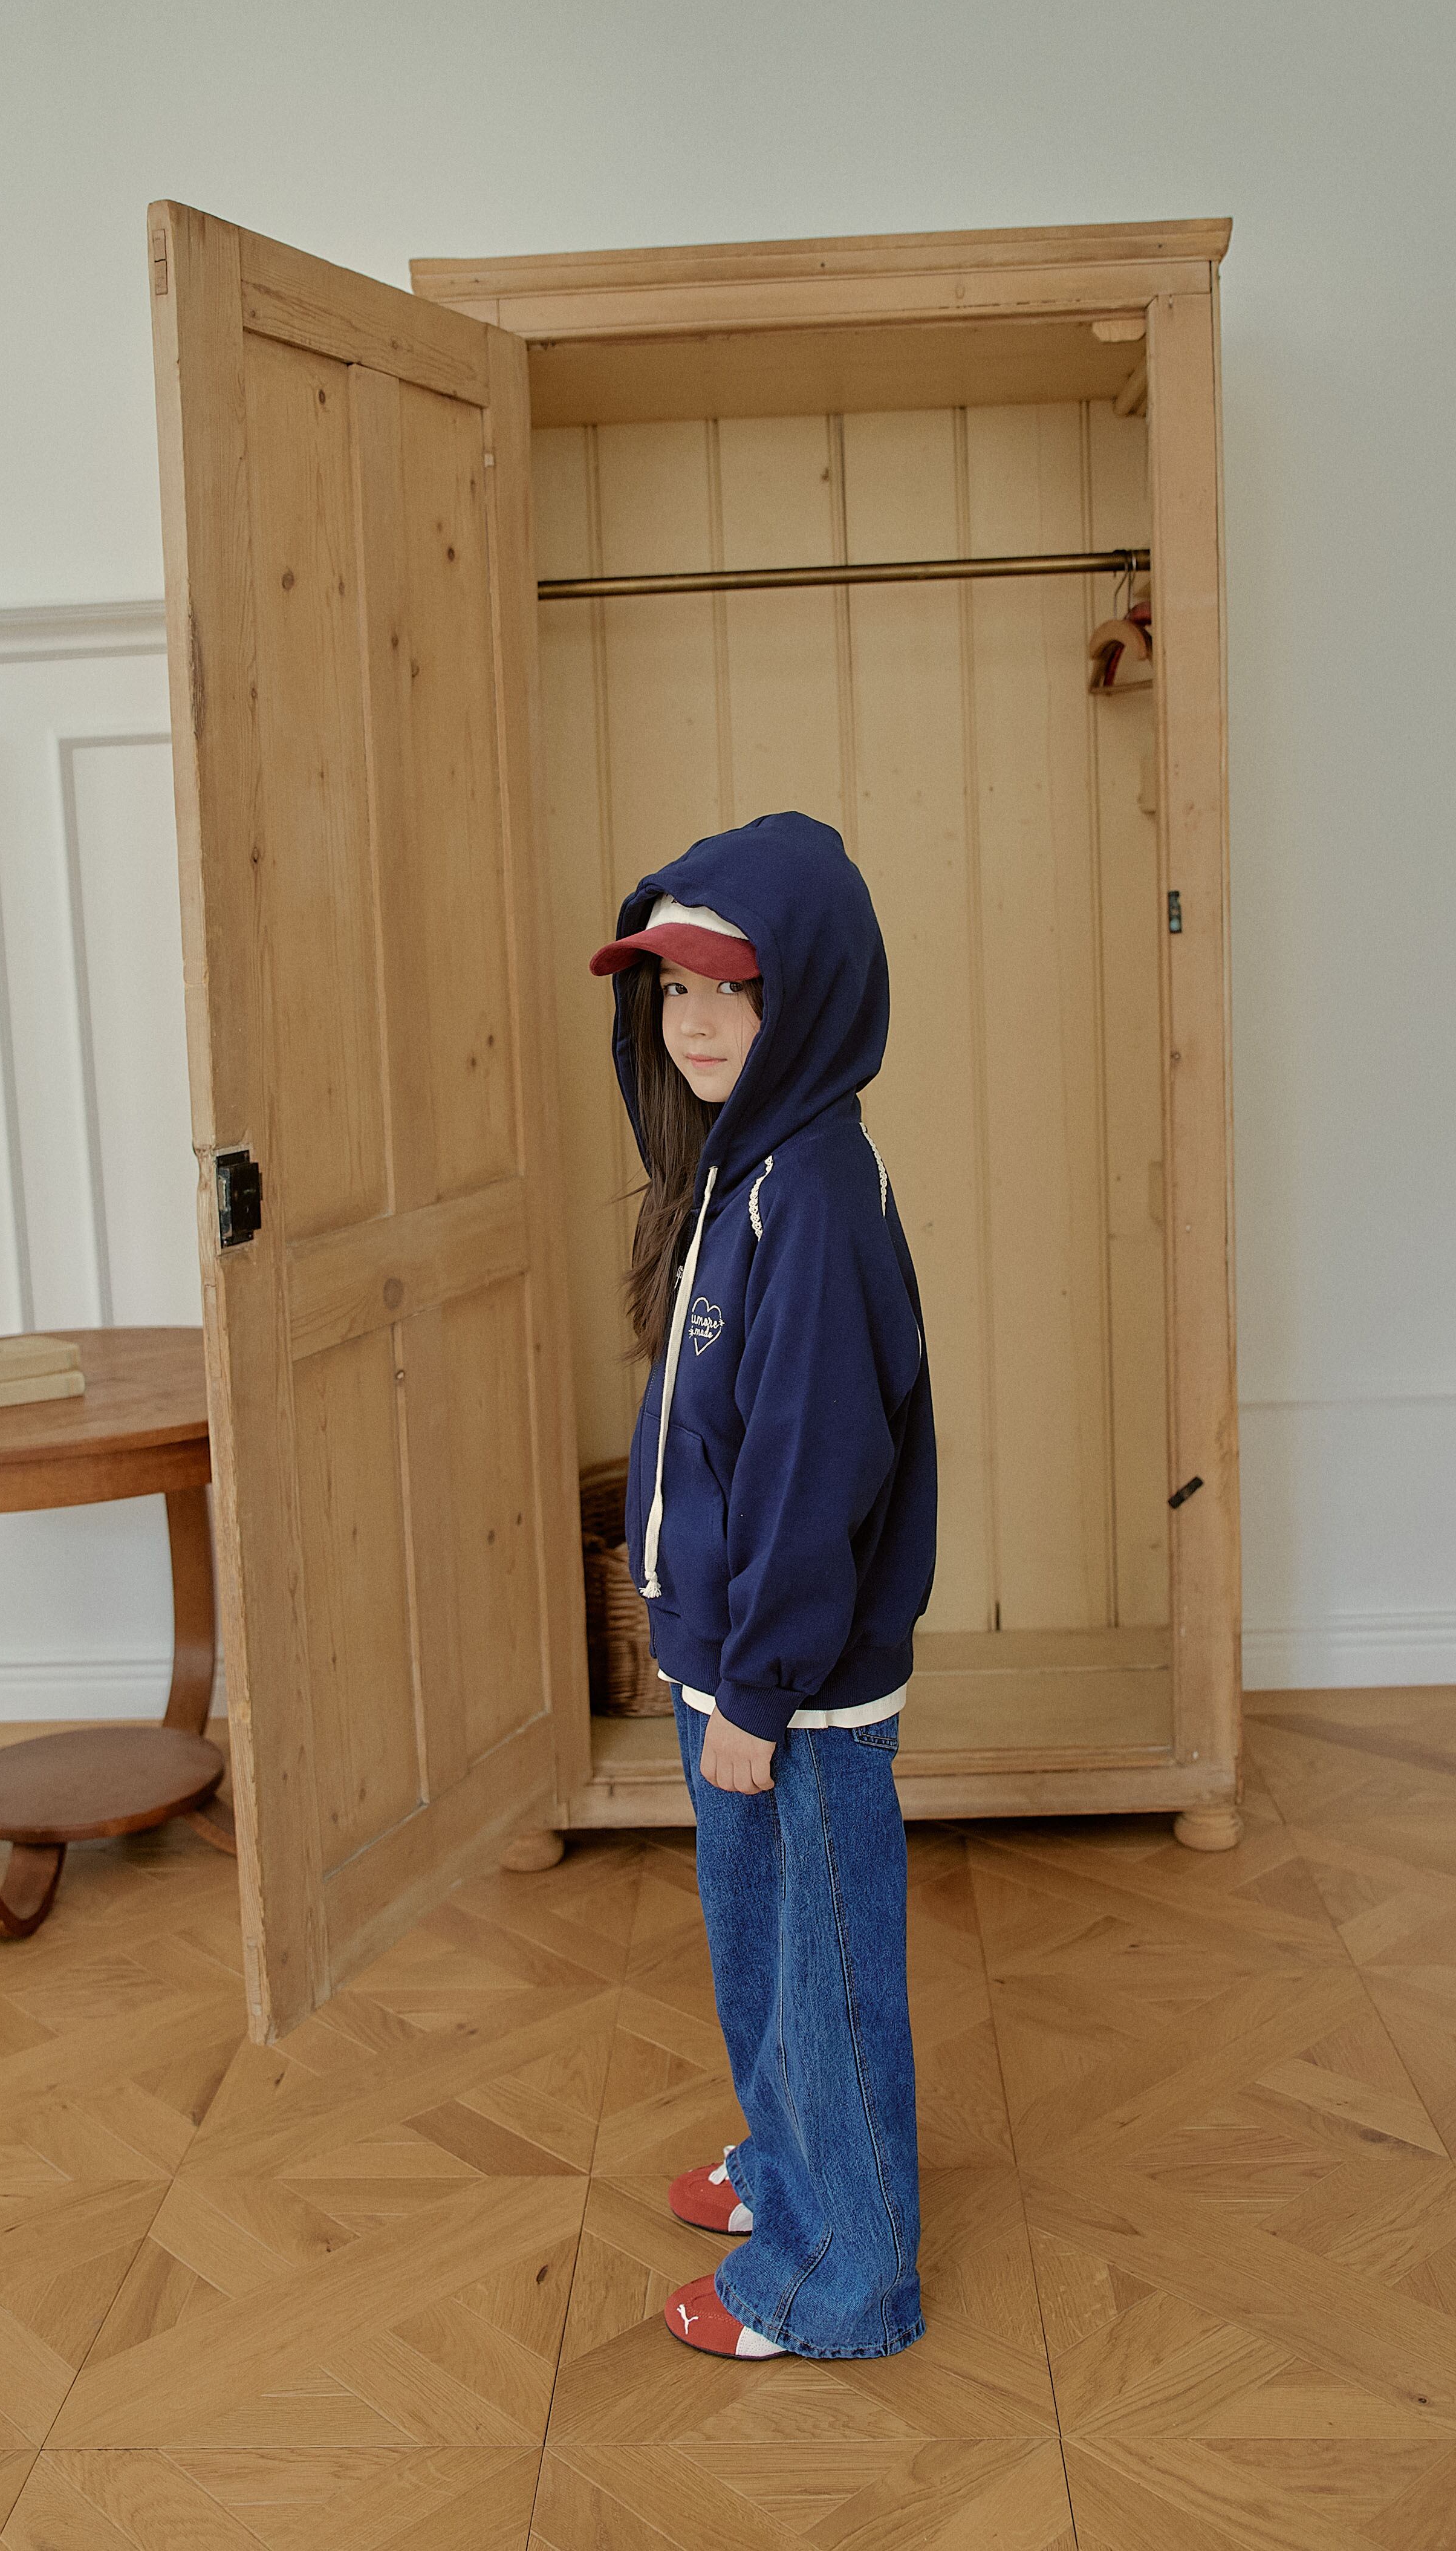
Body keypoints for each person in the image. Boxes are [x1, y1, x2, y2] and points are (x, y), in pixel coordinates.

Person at [588, 810, 938, 2362]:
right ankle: (791, 2166)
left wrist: (759, 1686)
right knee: (759, 1949)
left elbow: (813, 1467)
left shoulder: (815, 1199)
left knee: (824, 1976)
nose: (698, 1021)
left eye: (734, 989)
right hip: (732, 1663)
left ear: (813, 995)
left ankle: (839, 2278)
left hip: (788, 1686)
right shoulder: (743, 1174)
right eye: (673, 989)